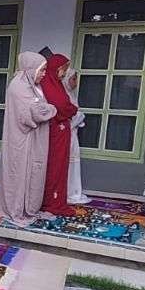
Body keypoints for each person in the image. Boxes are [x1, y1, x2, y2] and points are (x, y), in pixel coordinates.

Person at [0, 53, 57, 226]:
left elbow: (40, 107)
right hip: (21, 141)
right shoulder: (19, 87)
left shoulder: (32, 86)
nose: (44, 74)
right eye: (42, 70)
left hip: (33, 139)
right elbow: (37, 112)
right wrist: (51, 109)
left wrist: (46, 108)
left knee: (31, 173)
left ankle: (28, 207)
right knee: (19, 173)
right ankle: (15, 208)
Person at [38, 53, 77, 216]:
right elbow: (62, 106)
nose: (64, 73)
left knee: (61, 167)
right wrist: (72, 109)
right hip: (55, 133)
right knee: (54, 166)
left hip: (62, 132)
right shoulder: (48, 84)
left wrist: (69, 109)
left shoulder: (57, 84)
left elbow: (65, 105)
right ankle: (50, 200)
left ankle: (57, 199)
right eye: (63, 69)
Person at [65, 67, 91, 205]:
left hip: (72, 135)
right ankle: (68, 191)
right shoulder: (64, 95)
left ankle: (73, 191)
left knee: (73, 163)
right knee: (67, 163)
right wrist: (80, 116)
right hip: (65, 135)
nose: (76, 82)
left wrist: (79, 116)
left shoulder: (71, 95)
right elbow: (67, 118)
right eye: (73, 78)